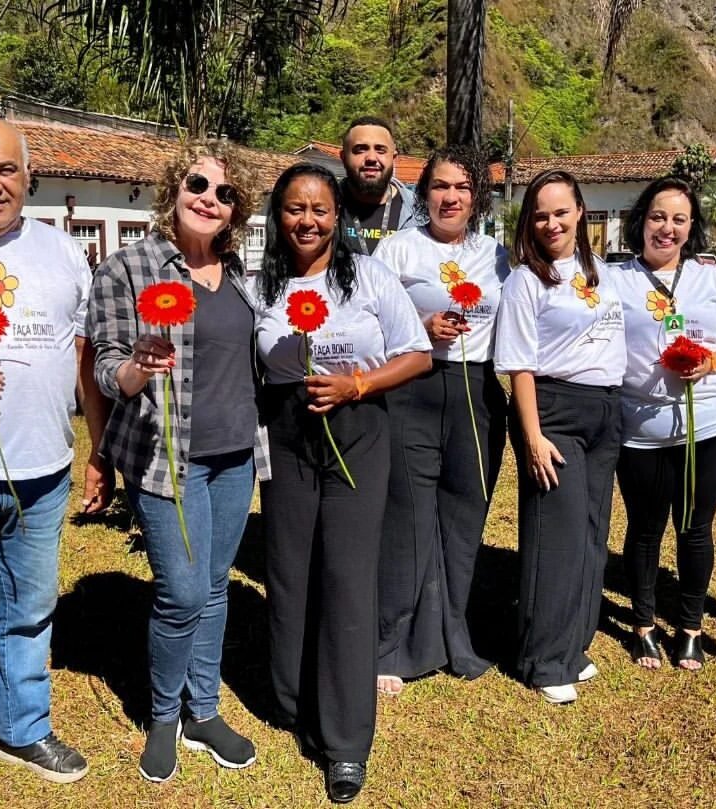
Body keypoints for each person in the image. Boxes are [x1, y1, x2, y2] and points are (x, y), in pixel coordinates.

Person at [255, 163, 430, 803]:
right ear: (279, 217)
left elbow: (417, 353)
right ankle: (295, 701)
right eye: (295, 209)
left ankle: (347, 741)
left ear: (338, 217)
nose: (308, 220)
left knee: (348, 578)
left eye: (320, 210)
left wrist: (358, 382)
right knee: (291, 570)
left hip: (357, 428)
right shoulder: (264, 283)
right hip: (288, 433)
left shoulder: (368, 276)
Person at [87, 140, 262, 782]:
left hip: (236, 455)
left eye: (225, 194)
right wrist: (137, 366)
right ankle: (164, 714)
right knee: (182, 591)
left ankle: (204, 711)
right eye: (198, 184)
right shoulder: (128, 269)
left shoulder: (242, 273)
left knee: (215, 588)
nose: (209, 199)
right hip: (166, 458)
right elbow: (104, 368)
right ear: (174, 189)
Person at [0, 115, 112, 781]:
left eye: (3, 169)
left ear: (27, 173)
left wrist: (98, 448)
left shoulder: (63, 251)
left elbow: (82, 356)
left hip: (43, 474)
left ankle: (21, 727)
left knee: (27, 609)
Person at [373, 145, 509, 695]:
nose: (450, 197)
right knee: (407, 520)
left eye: (462, 187)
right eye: (440, 186)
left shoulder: (497, 256)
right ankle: (394, 644)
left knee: (463, 517)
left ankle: (455, 636)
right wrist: (419, 327)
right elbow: (370, 319)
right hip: (414, 389)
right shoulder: (398, 251)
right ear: (422, 193)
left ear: (476, 197)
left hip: (476, 391)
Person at [494, 169, 627, 704]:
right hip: (554, 412)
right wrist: (531, 435)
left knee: (592, 534)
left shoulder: (603, 275)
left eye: (561, 211)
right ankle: (544, 660)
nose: (552, 222)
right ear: (531, 220)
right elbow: (519, 366)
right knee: (557, 536)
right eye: (541, 214)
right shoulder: (527, 280)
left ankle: (573, 645)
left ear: (580, 212)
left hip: (606, 412)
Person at [612, 176, 716, 671]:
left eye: (678, 219)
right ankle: (644, 625)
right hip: (640, 429)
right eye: (657, 217)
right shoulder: (616, 280)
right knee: (645, 529)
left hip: (708, 425)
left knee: (695, 529)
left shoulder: (711, 280)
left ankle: (691, 627)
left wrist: (710, 363)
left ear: (691, 227)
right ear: (641, 222)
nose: (666, 229)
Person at [339, 116, 417, 254]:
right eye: (360, 149)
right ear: (343, 158)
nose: (371, 158)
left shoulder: (420, 213)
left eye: (380, 150)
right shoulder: (324, 206)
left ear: (394, 158)